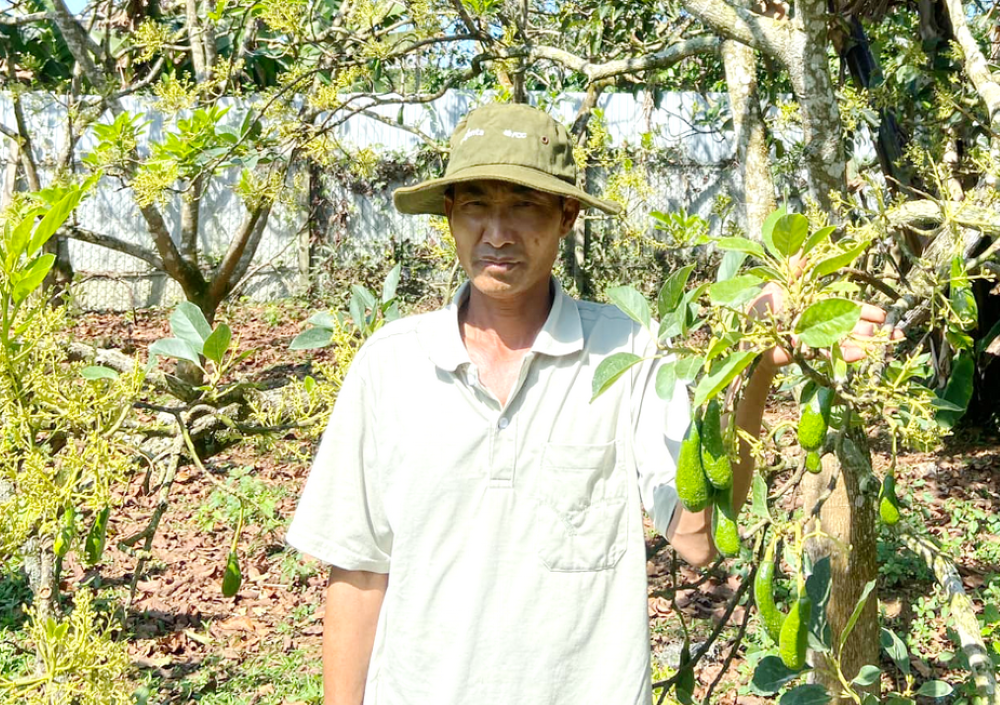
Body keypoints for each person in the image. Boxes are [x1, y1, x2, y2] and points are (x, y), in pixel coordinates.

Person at [285, 102, 887, 705]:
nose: (498, 232)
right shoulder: (390, 366)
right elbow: (359, 573)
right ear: (449, 216)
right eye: (476, 205)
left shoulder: (625, 351)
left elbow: (701, 538)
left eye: (524, 205)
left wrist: (753, 367)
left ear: (567, 216)